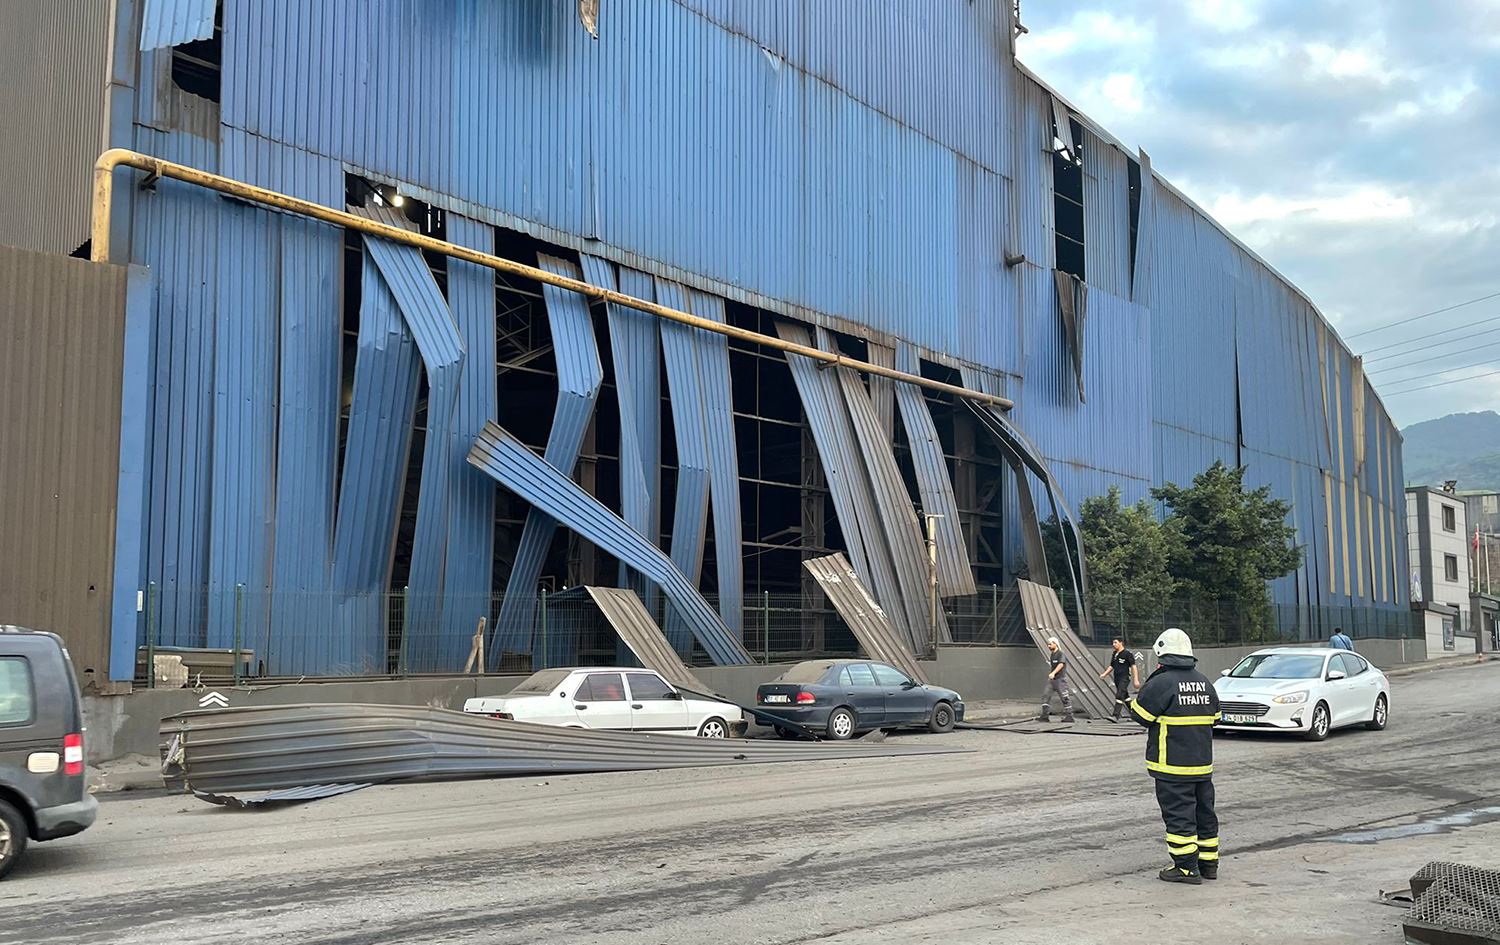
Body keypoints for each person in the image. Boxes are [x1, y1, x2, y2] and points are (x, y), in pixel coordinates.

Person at [1129, 627, 1222, 885]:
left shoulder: (1161, 683)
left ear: (1161, 654)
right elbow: (1216, 718)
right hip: (1202, 766)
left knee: (1179, 816)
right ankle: (1209, 864)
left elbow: (1141, 716)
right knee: (1205, 814)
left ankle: (1185, 869)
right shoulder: (1205, 683)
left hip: (1172, 766)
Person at [1098, 637, 1142, 722]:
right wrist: (1104, 674)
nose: (1113, 644)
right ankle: (1135, 714)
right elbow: (1112, 666)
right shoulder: (1115, 654)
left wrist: (1136, 680)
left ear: (1121, 643)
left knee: (1119, 695)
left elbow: (1133, 666)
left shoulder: (1127, 654)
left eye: (1115, 642)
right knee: (1125, 696)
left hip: (1124, 678)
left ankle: (1115, 716)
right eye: (1113, 643)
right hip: (1117, 678)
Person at [1038, 637, 1075, 723]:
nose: (1048, 646)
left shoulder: (1060, 654)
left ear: (1055, 643)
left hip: (1060, 679)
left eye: (1050, 644)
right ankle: (1044, 716)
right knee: (1046, 695)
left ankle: (1069, 716)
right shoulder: (1052, 654)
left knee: (1064, 697)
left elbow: (1061, 664)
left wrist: (1053, 673)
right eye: (1048, 644)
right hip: (1052, 680)